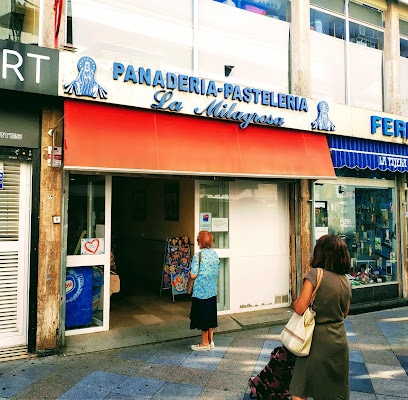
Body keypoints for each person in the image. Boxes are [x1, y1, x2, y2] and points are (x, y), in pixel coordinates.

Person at [289, 234, 352, 400]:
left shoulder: (316, 274)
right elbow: (344, 313)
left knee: (300, 389)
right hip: (339, 340)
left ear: (321, 253)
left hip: (316, 340)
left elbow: (300, 308)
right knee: (332, 391)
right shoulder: (346, 280)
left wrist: (296, 302)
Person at [189, 230, 220, 351]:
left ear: (200, 242)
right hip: (212, 291)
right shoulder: (214, 254)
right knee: (211, 317)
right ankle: (211, 341)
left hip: (201, 292)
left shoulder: (198, 256)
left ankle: (204, 343)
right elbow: (217, 270)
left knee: (203, 318)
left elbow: (193, 275)